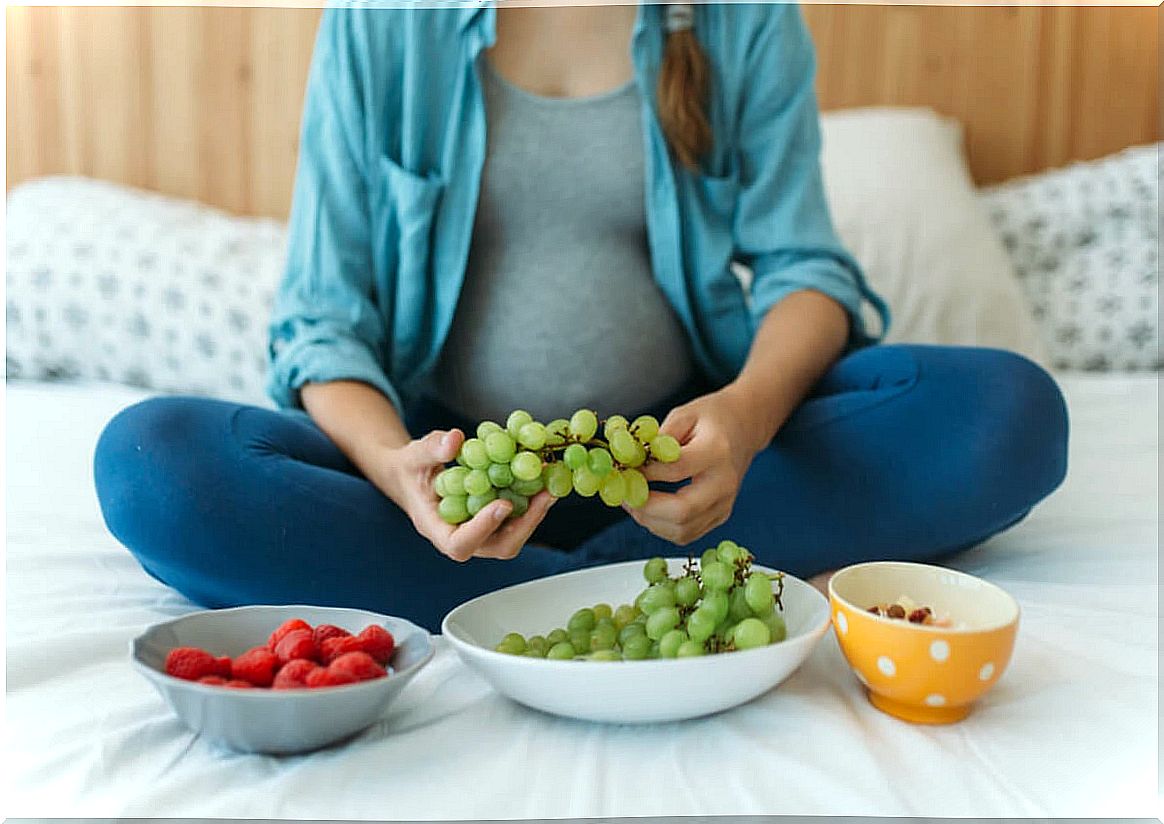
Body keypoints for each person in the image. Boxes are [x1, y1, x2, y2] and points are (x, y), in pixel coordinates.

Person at [94, 3, 1068, 632]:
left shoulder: (742, 18)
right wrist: (398, 473)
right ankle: (648, 591)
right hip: (451, 477)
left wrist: (746, 416)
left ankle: (505, 604)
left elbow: (804, 272)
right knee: (155, 461)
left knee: (1007, 410)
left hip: (690, 461)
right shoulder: (380, 21)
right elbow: (321, 321)